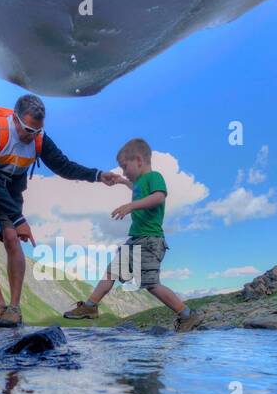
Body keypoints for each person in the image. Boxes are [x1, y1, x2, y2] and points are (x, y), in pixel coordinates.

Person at [0, 94, 121, 328]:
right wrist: (19, 219)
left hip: (11, 191)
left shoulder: (39, 138)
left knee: (11, 238)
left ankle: (14, 308)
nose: (32, 136)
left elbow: (63, 165)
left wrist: (98, 175)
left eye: (37, 131)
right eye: (28, 129)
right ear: (15, 119)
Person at [63, 138, 204, 332]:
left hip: (150, 240)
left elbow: (159, 196)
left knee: (151, 284)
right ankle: (90, 306)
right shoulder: (139, 183)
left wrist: (131, 205)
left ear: (138, 160)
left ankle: (187, 314)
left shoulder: (155, 176)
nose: (123, 171)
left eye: (124, 167)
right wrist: (122, 182)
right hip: (136, 239)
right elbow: (136, 189)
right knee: (112, 271)